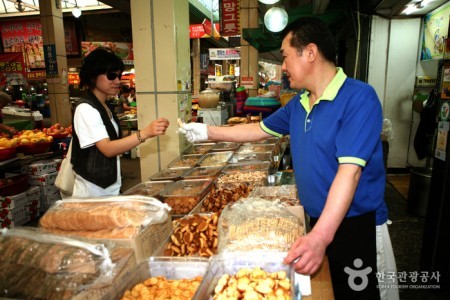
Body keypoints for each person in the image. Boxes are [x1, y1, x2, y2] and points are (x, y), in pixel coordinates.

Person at [180, 17, 398, 299]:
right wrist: (206, 131)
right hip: (318, 221)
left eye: (284, 57)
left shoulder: (358, 98)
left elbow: (350, 172)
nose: (282, 66)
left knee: (359, 295)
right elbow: (258, 130)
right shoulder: (299, 103)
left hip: (357, 227)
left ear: (310, 52)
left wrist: (320, 236)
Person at [72, 47, 169, 197]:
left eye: (118, 75)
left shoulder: (105, 105)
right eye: (111, 76)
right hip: (92, 192)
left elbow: (113, 143)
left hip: (109, 187)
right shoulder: (86, 109)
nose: (117, 81)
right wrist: (144, 133)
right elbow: (107, 149)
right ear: (93, 76)